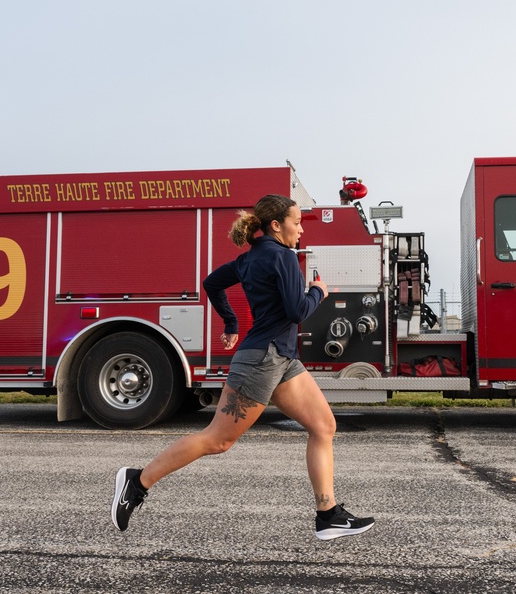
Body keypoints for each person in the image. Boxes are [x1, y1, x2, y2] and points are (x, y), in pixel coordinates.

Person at [111, 194, 375, 541]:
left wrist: (231, 322)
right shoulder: (282, 256)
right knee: (217, 440)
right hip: (263, 360)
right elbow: (297, 311)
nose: (300, 229)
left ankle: (327, 515)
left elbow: (211, 283)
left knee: (323, 426)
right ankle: (137, 480)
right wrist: (318, 291)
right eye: (296, 222)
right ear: (276, 225)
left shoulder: (250, 258)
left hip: (280, 358)